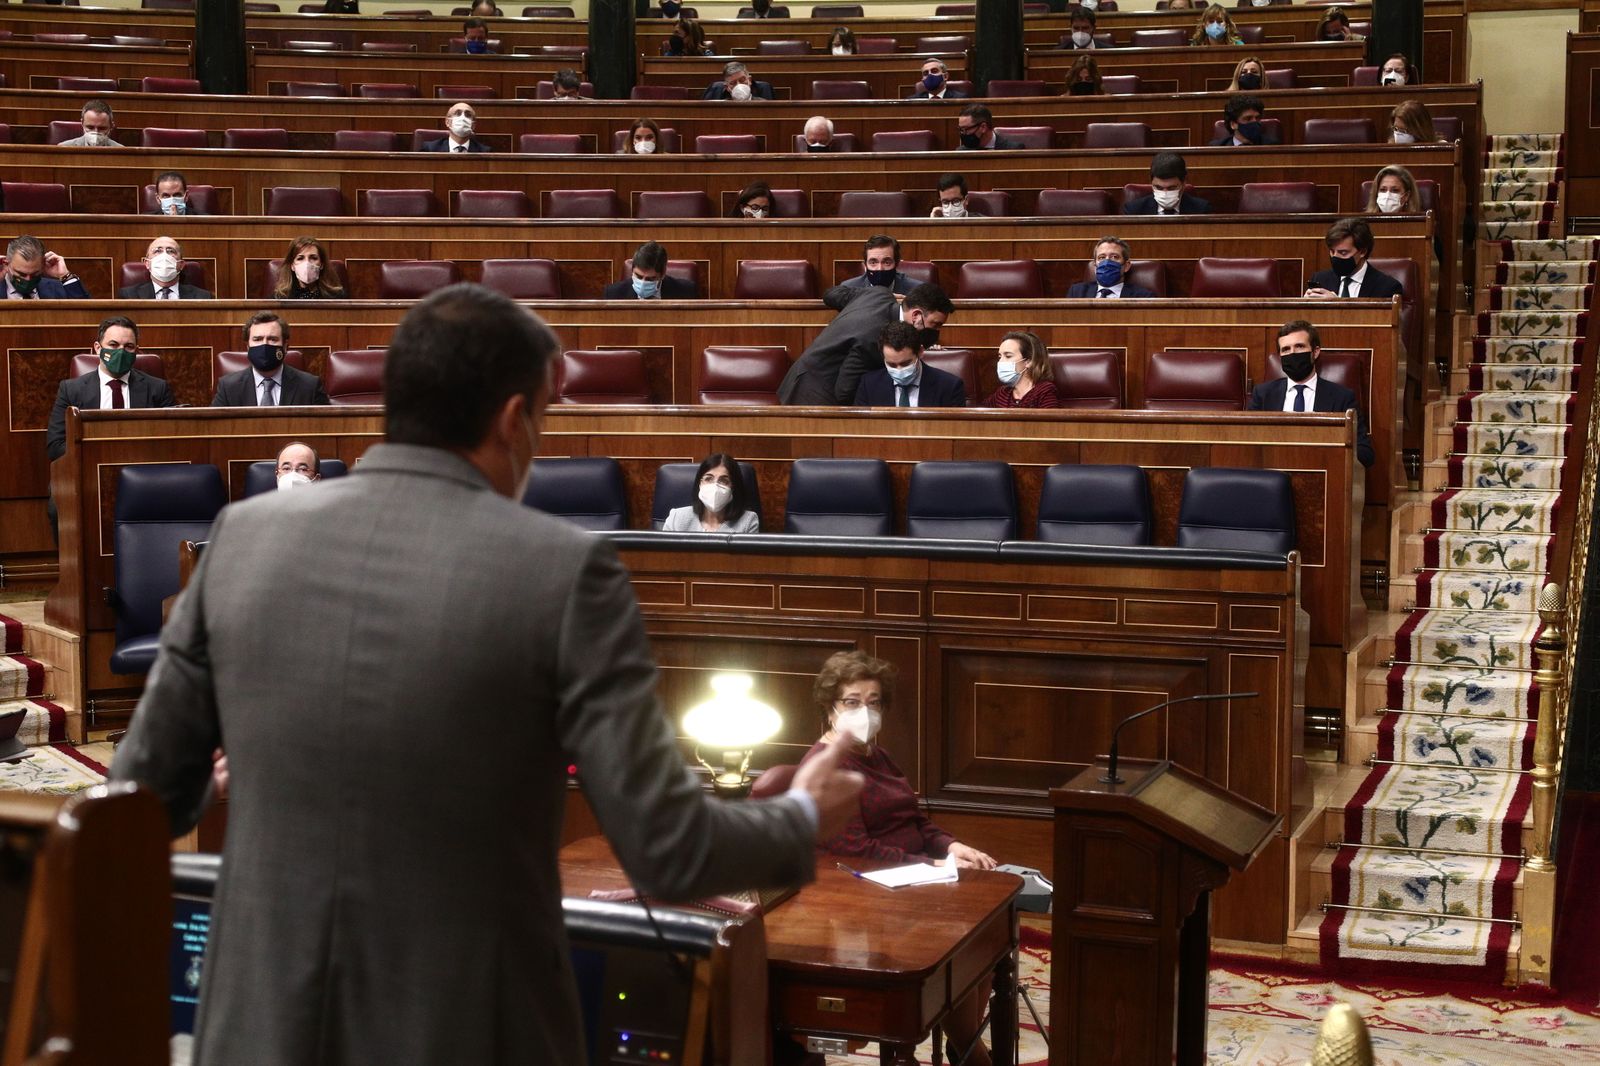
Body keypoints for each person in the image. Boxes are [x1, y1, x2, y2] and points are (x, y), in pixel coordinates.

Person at [109, 283, 865, 1064]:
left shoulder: (242, 536)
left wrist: (232, 785)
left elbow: (132, 804)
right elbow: (667, 847)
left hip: (257, 1029)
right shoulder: (563, 571)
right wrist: (804, 816)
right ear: (513, 419)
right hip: (467, 1029)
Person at [797, 651, 996, 1065]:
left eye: (873, 702)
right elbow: (856, 852)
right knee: (956, 941)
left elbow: (914, 818)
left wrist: (949, 847)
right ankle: (973, 1053)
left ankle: (967, 1045)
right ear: (829, 707)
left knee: (983, 934)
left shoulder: (876, 753)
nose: (864, 711)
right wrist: (932, 867)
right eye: (852, 701)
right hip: (864, 893)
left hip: (915, 876)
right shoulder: (827, 765)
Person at [778, 281, 953, 405]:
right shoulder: (875, 337)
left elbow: (831, 294)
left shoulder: (878, 293)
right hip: (813, 393)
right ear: (916, 316)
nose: (937, 331)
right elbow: (845, 392)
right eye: (935, 324)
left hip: (802, 374)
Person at [46, 316, 175, 462]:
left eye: (128, 347)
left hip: (141, 470)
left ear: (136, 351)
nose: (121, 352)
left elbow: (171, 442)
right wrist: (104, 455)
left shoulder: (158, 388)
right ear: (98, 348)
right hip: (90, 468)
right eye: (113, 345)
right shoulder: (71, 390)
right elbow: (55, 446)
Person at [1248, 319, 1375, 468]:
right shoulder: (1262, 394)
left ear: (1315, 352)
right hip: (1274, 473)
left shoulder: (1342, 397)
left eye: (1299, 347)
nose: (1292, 353)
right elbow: (1246, 444)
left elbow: (1365, 453)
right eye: (1286, 349)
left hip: (1323, 472)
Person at [212, 312, 331, 407]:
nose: (265, 345)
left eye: (272, 339)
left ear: (285, 347)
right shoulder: (228, 387)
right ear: (248, 347)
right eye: (257, 339)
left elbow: (326, 429)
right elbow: (214, 430)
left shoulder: (310, 386)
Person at [853, 322, 966, 408]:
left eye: (905, 363)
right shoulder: (868, 385)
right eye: (892, 364)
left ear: (920, 352)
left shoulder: (950, 387)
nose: (899, 370)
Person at [1304, 217, 1405, 301]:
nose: (1335, 257)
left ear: (1362, 252)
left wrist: (1337, 304)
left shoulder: (1387, 287)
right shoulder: (1320, 280)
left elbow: (1377, 323)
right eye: (1332, 251)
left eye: (1343, 253)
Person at [662, 453, 760, 533]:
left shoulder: (748, 521)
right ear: (699, 484)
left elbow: (747, 557)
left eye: (723, 481)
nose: (715, 486)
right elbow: (662, 556)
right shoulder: (677, 518)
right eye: (708, 479)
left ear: (733, 487)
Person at [823, 234, 921, 307]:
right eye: (873, 262)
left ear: (897, 263)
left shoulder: (916, 290)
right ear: (865, 264)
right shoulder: (849, 287)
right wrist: (877, 296)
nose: (879, 268)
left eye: (886, 262)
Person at [118, 236, 213, 300]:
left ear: (181, 264)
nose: (164, 255)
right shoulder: (129, 295)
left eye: (171, 251)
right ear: (147, 263)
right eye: (157, 251)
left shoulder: (202, 297)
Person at [987, 331, 1061, 409]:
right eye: (1000, 357)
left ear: (1028, 361)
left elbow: (1049, 420)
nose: (1000, 362)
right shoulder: (1002, 393)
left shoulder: (1044, 391)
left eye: (1008, 356)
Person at [1124, 151, 1212, 215]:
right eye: (1159, 188)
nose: (1165, 193)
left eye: (1171, 188)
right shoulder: (1134, 210)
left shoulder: (1201, 210)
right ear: (1151, 182)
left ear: (1184, 183)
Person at [602, 241, 698, 298]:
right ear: (632, 270)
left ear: (663, 273)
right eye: (638, 276)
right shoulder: (613, 294)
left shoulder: (686, 292)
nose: (643, 283)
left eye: (650, 279)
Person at [1066, 237, 1156, 298]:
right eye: (1101, 257)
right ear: (1095, 265)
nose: (1107, 262)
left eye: (1114, 257)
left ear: (1126, 266)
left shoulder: (1143, 297)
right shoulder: (1077, 293)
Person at [4, 235, 89, 299]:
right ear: (6, 264)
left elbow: (88, 316)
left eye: (34, 274)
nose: (28, 279)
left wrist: (66, 276)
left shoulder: (57, 288)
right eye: (21, 274)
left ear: (43, 265)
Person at [273, 236, 346, 299]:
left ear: (321, 264)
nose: (307, 263)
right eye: (300, 258)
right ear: (292, 266)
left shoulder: (338, 297)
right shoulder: (278, 298)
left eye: (313, 258)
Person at [423, 101, 492, 153]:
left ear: (473, 125)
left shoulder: (484, 152)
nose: (463, 118)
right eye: (457, 113)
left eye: (468, 115)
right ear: (447, 122)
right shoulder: (430, 149)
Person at [1210, 94, 1276, 145]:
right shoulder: (1217, 148)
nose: (1254, 122)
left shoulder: (1272, 146)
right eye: (1248, 118)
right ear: (1233, 124)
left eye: (1257, 118)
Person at [56, 99, 121, 147]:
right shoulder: (64, 148)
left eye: (102, 128)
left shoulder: (121, 152)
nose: (96, 132)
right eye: (90, 127)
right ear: (82, 123)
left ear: (111, 126)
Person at [956, 105, 1023, 150]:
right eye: (961, 129)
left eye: (966, 129)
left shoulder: (1013, 150)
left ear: (983, 127)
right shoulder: (961, 152)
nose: (963, 133)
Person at [703, 61, 775, 101]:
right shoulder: (719, 107)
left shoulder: (764, 104)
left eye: (742, 80)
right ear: (727, 87)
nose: (738, 85)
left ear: (749, 80)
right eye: (733, 83)